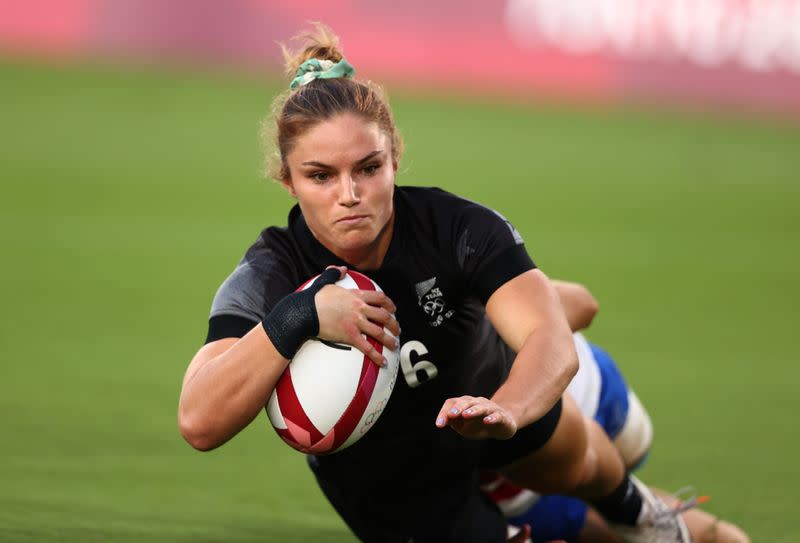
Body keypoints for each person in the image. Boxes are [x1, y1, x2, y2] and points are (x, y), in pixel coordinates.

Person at [178, 24, 691, 543]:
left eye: (369, 168)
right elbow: (199, 421)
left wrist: (506, 408)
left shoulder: (456, 228)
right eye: (320, 176)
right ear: (287, 180)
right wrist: (300, 314)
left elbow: (550, 345)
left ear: (395, 159)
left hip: (493, 405)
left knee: (596, 466)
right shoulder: (271, 273)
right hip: (388, 480)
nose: (349, 194)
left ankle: (644, 513)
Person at [483, 281, 750, 543]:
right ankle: (641, 509)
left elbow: (583, 305)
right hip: (514, 481)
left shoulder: (473, 284)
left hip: (591, 399)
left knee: (621, 482)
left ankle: (637, 508)